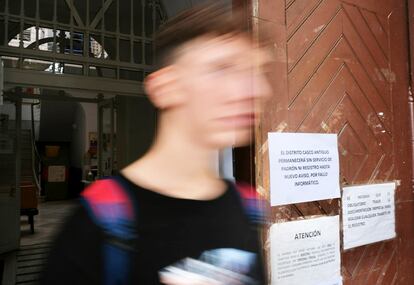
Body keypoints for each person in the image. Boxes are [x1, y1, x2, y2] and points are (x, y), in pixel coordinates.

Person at [41, 2, 272, 285]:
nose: (257, 90)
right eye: (222, 68)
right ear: (165, 88)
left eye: (258, 72)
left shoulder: (248, 208)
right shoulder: (101, 221)